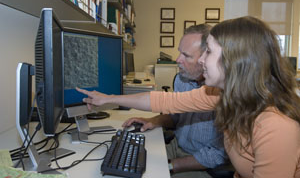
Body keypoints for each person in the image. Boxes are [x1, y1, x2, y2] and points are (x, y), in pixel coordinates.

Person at [77, 16, 300, 178]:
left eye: (209, 52)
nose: (202, 60)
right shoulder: (224, 96)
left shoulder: (276, 126)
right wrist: (108, 98)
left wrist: (169, 166)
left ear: (235, 62)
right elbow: (164, 101)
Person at [122, 24, 229, 178]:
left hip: (205, 165)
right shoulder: (182, 80)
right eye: (180, 52)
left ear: (207, 58)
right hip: (177, 147)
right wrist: (152, 121)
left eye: (187, 55)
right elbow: (176, 116)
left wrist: (171, 165)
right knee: (130, 161)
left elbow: (217, 155)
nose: (178, 60)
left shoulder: (223, 94)